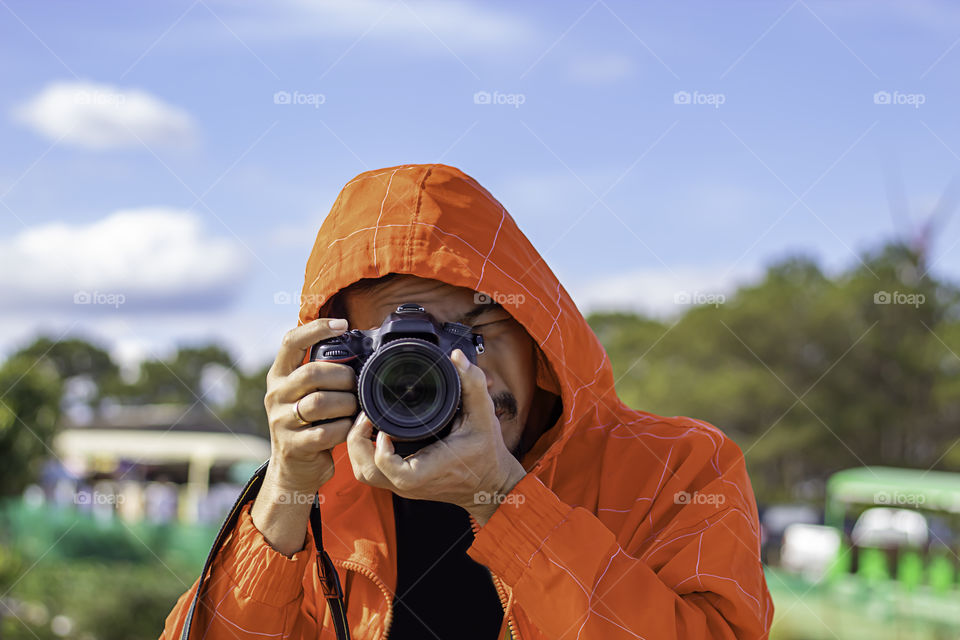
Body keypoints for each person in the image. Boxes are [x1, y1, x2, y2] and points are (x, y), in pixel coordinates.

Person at [161, 163, 773, 639]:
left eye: (479, 327)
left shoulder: (680, 465)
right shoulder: (321, 492)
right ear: (340, 354)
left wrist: (503, 500)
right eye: (406, 347)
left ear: (540, 331)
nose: (461, 370)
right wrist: (285, 490)